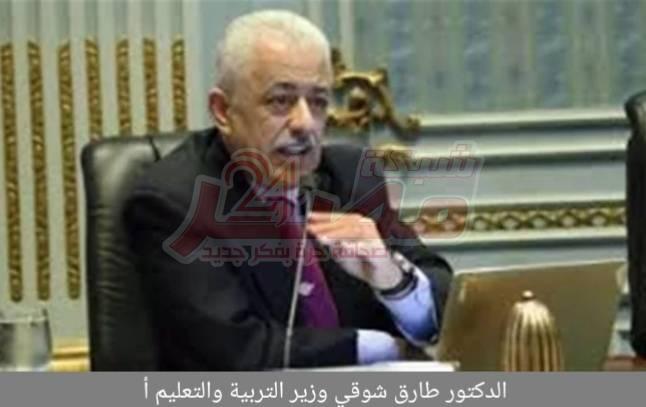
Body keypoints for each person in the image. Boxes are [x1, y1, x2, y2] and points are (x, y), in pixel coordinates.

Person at [124, 10, 452, 370]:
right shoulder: (175, 201)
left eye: (318, 101)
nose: (305, 124)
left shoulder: (351, 175)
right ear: (222, 111)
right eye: (281, 101)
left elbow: (445, 298)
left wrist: (393, 280)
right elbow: (236, 352)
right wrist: (383, 347)